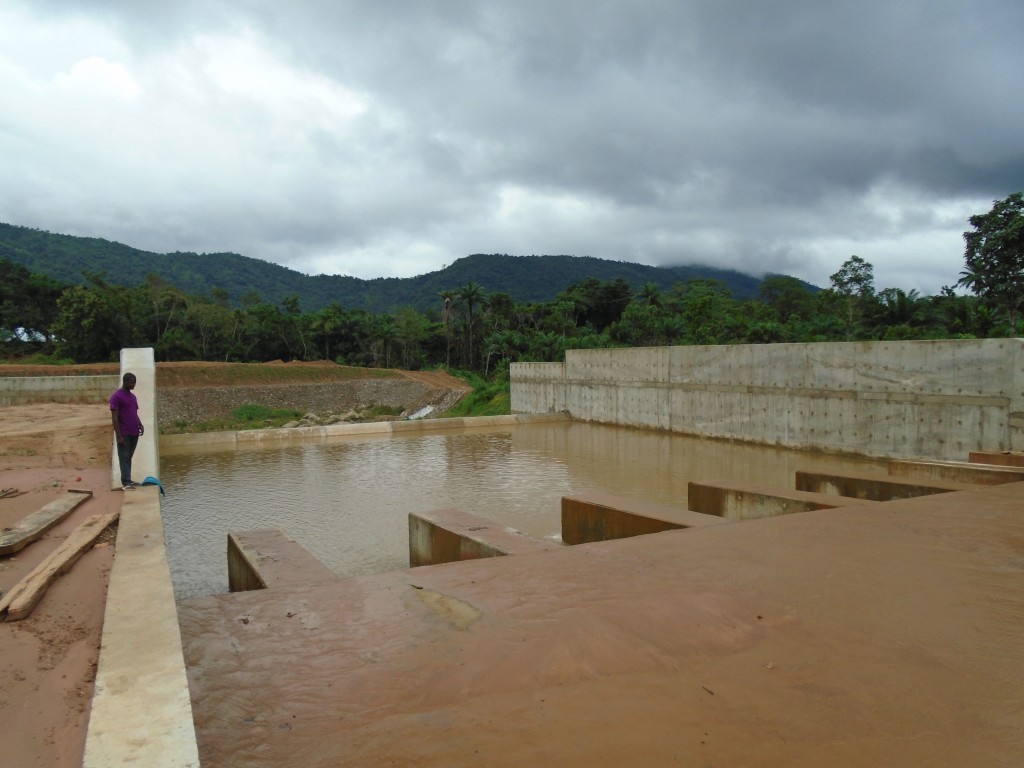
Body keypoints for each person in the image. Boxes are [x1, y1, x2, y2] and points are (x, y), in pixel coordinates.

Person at [110, 372, 145, 491]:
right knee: (124, 457)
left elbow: (134, 413)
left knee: (128, 457)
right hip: (124, 432)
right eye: (132, 382)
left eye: (134, 382)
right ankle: (126, 483)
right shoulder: (116, 396)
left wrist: (140, 424)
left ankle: (128, 480)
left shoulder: (133, 397)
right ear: (125, 382)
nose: (134, 384)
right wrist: (118, 435)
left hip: (134, 432)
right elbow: (114, 417)